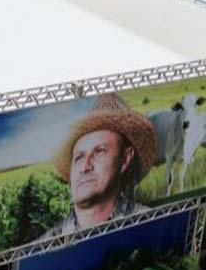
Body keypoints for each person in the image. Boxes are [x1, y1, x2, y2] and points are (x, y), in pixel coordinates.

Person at [42, 94, 157, 239]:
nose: (85, 167)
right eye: (79, 157)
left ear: (125, 159)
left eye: (99, 151)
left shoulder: (150, 225)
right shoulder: (43, 247)